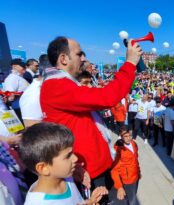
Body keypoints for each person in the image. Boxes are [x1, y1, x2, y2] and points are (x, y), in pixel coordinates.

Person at [40, 37, 141, 196]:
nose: (84, 58)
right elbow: (108, 97)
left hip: (93, 166)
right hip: (90, 172)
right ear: (63, 59)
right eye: (79, 54)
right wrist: (130, 63)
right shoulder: (56, 85)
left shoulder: (63, 83)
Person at [18, 122, 108, 205]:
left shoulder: (65, 176)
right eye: (68, 156)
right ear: (43, 168)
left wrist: (90, 201)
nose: (75, 158)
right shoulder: (38, 202)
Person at [110, 126, 140, 205]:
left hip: (136, 177)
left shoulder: (134, 144)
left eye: (130, 135)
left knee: (133, 195)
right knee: (132, 200)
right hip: (128, 181)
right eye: (126, 136)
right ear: (121, 136)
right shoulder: (119, 151)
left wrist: (139, 172)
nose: (129, 138)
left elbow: (136, 159)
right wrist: (119, 186)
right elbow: (114, 170)